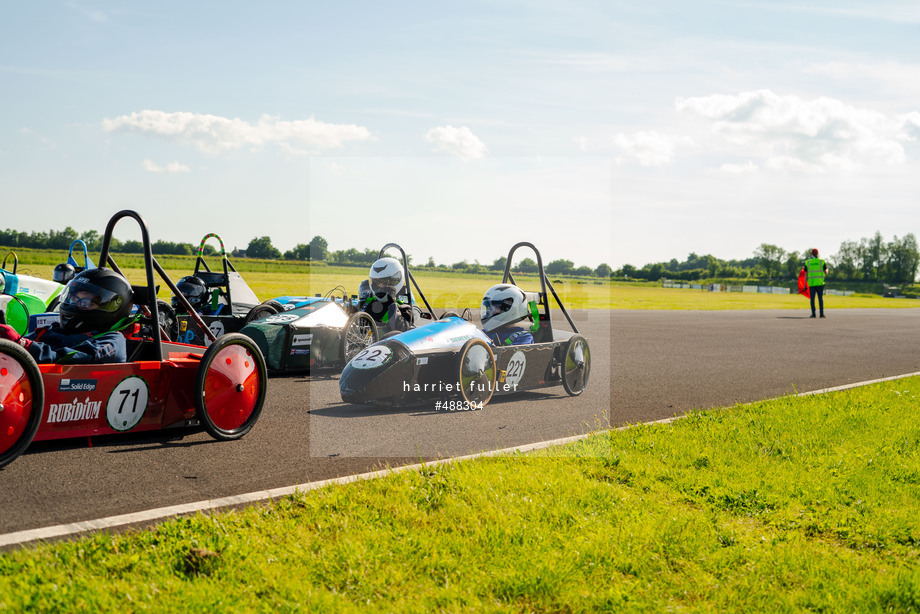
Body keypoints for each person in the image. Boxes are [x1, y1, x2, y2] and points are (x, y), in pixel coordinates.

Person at [0, 268, 133, 363]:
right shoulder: (55, 329)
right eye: (74, 298)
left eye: (86, 302)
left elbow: (65, 359)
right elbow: (21, 343)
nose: (76, 305)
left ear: (111, 308)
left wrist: (21, 344)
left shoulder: (110, 342)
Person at [360, 257, 413, 333]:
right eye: (377, 282)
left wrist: (391, 303)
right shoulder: (369, 302)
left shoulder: (404, 309)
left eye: (385, 282)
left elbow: (399, 331)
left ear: (395, 281)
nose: (380, 286)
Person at [805, 248, 828, 318]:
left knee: (812, 299)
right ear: (817, 253)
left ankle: (813, 314)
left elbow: (806, 274)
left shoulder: (808, 262)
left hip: (811, 284)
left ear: (811, 254)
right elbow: (825, 272)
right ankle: (821, 314)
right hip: (820, 283)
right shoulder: (822, 261)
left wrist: (805, 284)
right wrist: (827, 269)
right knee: (820, 299)